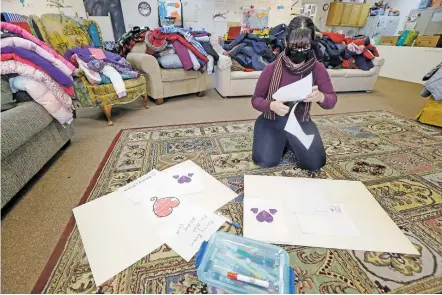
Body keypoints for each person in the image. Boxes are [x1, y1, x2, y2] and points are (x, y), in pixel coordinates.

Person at [251, 16, 337, 171]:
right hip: (271, 121)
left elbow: (332, 100)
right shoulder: (271, 68)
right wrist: (271, 105)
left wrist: (321, 97)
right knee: (265, 161)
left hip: (300, 122)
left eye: (305, 46)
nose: (299, 51)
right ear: (286, 42)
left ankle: (289, 141)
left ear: (312, 44)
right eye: (295, 46)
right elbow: (256, 100)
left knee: (315, 163)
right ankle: (282, 141)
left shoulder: (318, 68)